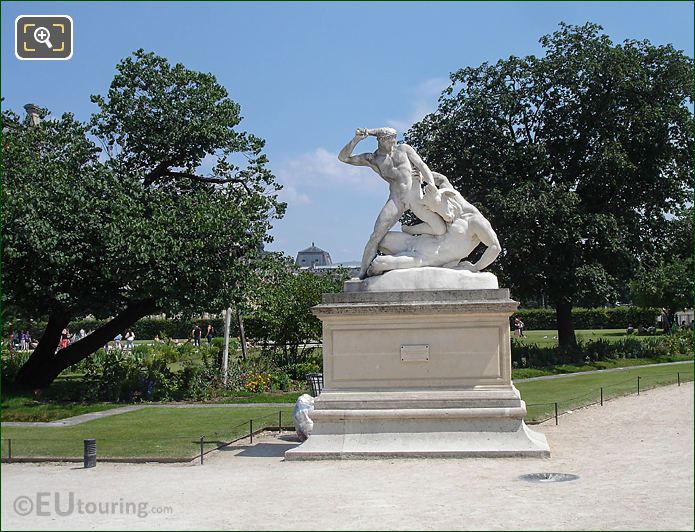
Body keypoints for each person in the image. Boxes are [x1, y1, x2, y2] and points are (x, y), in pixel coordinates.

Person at [339, 127, 446, 279]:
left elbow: (422, 165)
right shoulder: (373, 159)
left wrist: (432, 186)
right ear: (381, 140)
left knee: (440, 228)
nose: (394, 142)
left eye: (395, 138)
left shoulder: (404, 149)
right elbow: (343, 158)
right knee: (376, 236)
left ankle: (412, 232)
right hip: (396, 199)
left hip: (415, 197)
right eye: (391, 139)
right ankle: (362, 273)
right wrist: (356, 139)